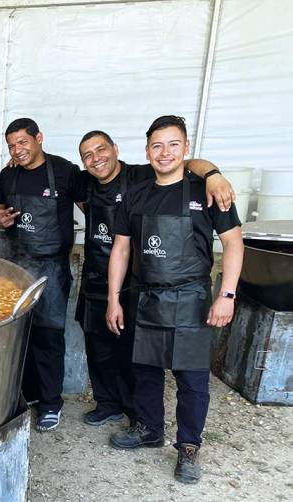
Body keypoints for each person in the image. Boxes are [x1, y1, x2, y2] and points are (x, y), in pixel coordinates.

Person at [106, 116, 243, 484]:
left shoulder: (207, 190)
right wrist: (113, 299)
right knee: (145, 372)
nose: (164, 153)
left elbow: (233, 243)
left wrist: (227, 295)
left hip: (192, 297)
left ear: (186, 147)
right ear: (147, 150)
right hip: (146, 296)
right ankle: (149, 429)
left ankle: (188, 446)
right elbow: (120, 249)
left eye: (173, 144)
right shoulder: (135, 193)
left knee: (192, 380)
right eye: (157, 145)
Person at [74, 130, 235, 427]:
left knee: (133, 356)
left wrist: (213, 174)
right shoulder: (84, 181)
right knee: (98, 347)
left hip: (140, 280)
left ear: (117, 148)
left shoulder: (141, 176)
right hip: (99, 274)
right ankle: (109, 404)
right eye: (88, 155)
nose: (96, 159)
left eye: (101, 150)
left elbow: (188, 163)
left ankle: (138, 415)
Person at [0, 118, 85, 432]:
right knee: (18, 333)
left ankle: (50, 403)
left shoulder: (64, 171)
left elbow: (92, 206)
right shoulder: (7, 175)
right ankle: (26, 393)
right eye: (12, 145)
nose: (18, 150)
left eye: (23, 142)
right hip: (16, 265)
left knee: (48, 334)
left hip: (51, 268)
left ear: (38, 138)